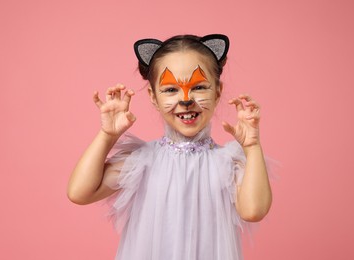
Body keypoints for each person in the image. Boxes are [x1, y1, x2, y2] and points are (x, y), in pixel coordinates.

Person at [67, 34, 272, 260]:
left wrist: (252, 147)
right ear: (153, 97)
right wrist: (107, 135)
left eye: (200, 87)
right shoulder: (142, 162)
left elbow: (253, 211)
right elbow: (79, 192)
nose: (185, 99)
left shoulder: (227, 164)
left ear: (218, 92)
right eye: (170, 90)